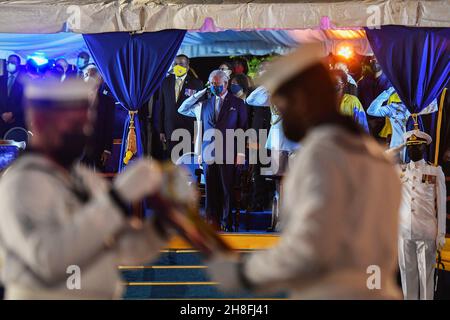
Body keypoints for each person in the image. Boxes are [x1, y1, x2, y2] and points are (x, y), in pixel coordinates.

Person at [206, 43, 402, 299]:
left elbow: (307, 247)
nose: (280, 114)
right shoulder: (371, 153)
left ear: (303, 101)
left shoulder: (321, 155)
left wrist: (245, 272)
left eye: (283, 104)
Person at [0, 78, 174, 299]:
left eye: (86, 124)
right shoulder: (20, 183)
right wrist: (118, 198)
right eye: (74, 124)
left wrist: (163, 222)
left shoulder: (85, 178)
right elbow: (49, 259)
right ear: (40, 122)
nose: (84, 132)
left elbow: (124, 248)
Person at [178, 70, 248, 231]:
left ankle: (226, 223)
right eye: (212, 84)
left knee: (226, 190)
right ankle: (211, 222)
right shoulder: (205, 103)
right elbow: (182, 109)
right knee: (211, 189)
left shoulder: (237, 104)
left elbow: (242, 130)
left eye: (218, 84)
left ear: (226, 83)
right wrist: (202, 91)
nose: (215, 87)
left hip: (229, 153)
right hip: (208, 153)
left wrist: (240, 154)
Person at [398, 129, 446, 300]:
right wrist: (398, 147)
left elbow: (441, 204)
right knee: (407, 277)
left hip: (426, 231)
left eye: (416, 147)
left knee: (426, 277)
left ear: (424, 148)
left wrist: (441, 233)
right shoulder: (400, 171)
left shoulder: (434, 171)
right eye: (409, 147)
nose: (412, 151)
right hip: (404, 232)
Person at [367, 86, 438, 161]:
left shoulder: (420, 107)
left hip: (416, 150)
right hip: (397, 150)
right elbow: (371, 111)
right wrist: (388, 92)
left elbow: (434, 105)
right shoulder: (393, 108)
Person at [158, 54, 203, 160]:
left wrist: (196, 133)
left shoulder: (197, 84)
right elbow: (161, 107)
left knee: (186, 163)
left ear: (187, 66)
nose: (178, 66)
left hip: (188, 130)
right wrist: (161, 130)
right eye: (176, 64)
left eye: (181, 64)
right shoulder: (165, 82)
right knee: (171, 162)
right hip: (170, 129)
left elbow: (199, 110)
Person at [357, 56, 391, 138]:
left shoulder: (391, 83)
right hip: (368, 124)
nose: (375, 61)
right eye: (372, 59)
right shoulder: (362, 82)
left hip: (385, 124)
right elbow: (360, 103)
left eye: (377, 58)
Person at [332, 69, 369, 133]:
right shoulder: (324, 102)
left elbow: (363, 127)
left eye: (335, 82)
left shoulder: (352, 101)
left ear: (343, 84)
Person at [0, 54, 25, 138]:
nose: (10, 64)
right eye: (9, 62)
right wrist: (2, 114)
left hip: (17, 122)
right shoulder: (1, 79)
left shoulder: (25, 80)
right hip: (1, 121)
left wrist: (13, 114)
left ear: (19, 64)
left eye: (13, 62)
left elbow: (25, 101)